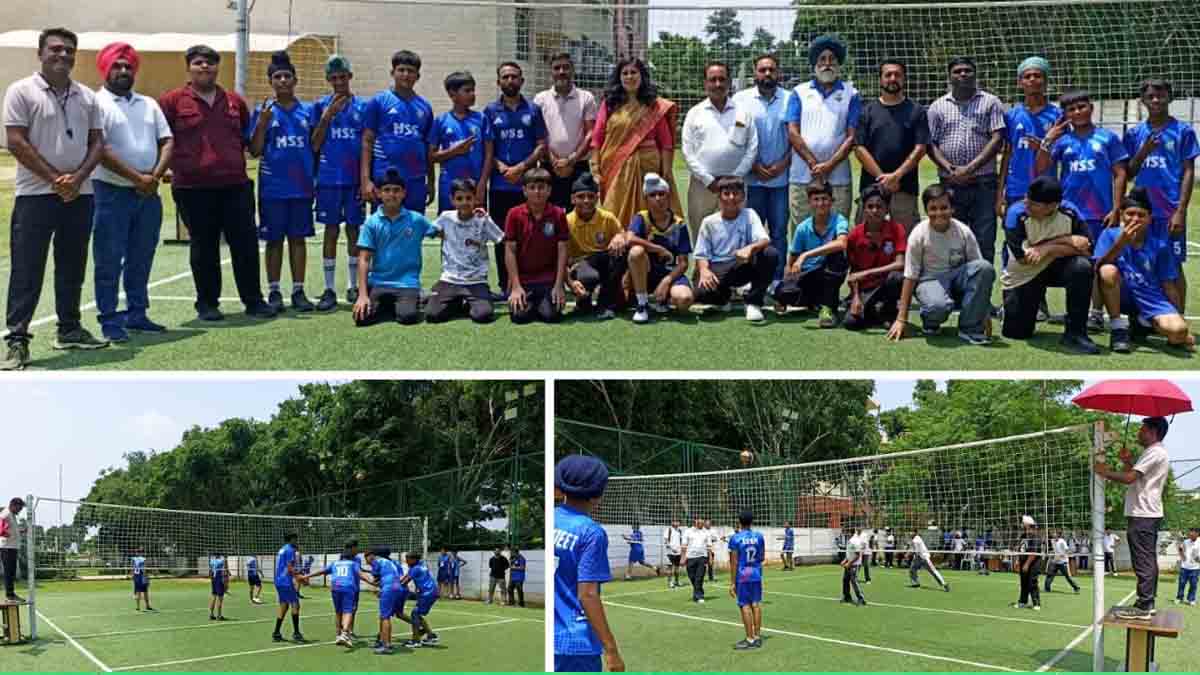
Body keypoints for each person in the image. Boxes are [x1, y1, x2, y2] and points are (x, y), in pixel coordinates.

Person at [3, 27, 108, 370]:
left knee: (72, 266)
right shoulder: (20, 91)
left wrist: (77, 179)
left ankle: (70, 328)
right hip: (35, 196)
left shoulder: (87, 96)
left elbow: (97, 143)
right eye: (56, 50)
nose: (63, 56)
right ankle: (17, 340)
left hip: (80, 195)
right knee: (27, 269)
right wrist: (54, 179)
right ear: (41, 53)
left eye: (69, 51)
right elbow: (16, 141)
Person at [159, 44, 274, 322]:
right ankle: (207, 304)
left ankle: (254, 300)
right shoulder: (171, 101)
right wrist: (161, 169)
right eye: (199, 62)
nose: (205, 67)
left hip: (235, 185)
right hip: (192, 188)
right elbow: (161, 139)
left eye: (210, 63)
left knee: (244, 244)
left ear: (217, 67)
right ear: (189, 67)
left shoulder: (234, 101)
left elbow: (247, 143)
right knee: (204, 246)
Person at [90, 42, 173, 343]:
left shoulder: (149, 104)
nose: (124, 71)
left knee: (141, 257)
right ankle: (110, 319)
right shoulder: (95, 103)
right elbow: (100, 149)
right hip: (111, 192)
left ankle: (137, 313)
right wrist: (137, 177)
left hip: (147, 194)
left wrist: (155, 175)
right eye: (117, 65)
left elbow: (167, 141)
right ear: (105, 69)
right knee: (109, 259)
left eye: (128, 66)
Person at [1036, 89, 1129, 331]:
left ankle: (1096, 314)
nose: (1077, 112)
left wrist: (1117, 207)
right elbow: (1041, 169)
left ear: (1091, 108)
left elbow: (1120, 174)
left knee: (1099, 264)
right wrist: (1047, 139)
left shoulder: (1108, 138)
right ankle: (1075, 313)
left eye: (1082, 107)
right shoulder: (1062, 142)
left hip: (1102, 214)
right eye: (1071, 109)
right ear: (1065, 114)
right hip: (1070, 215)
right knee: (1076, 265)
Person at [247, 51, 316, 313]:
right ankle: (274, 291)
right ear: (271, 82)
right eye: (278, 77)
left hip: (301, 187)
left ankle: (298, 290)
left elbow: (316, 146)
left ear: (296, 80)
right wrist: (262, 124)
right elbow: (253, 150)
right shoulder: (262, 111)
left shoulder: (308, 112)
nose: (283, 80)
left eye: (288, 76)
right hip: (272, 188)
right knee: (274, 241)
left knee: (298, 239)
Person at [1000, 176, 1098, 353]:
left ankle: (1076, 333)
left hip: (1059, 268)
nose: (1026, 205)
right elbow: (1024, 258)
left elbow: (1087, 249)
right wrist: (1069, 242)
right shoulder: (1016, 215)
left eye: (1033, 204)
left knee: (1082, 267)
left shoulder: (1069, 212)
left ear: (1053, 206)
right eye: (1026, 200)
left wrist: (1048, 247)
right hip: (1026, 273)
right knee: (1016, 332)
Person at [888, 184, 996, 344]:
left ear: (952, 209)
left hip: (957, 279)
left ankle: (970, 328)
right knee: (937, 307)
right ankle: (930, 322)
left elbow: (979, 273)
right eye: (933, 208)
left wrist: (984, 314)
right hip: (929, 280)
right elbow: (910, 277)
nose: (939, 213)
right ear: (926, 210)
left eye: (944, 207)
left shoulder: (964, 231)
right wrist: (901, 319)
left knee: (985, 267)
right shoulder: (918, 235)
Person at [1124, 78, 1196, 310]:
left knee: (1173, 266)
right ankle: (1146, 315)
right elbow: (1129, 172)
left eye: (1161, 95)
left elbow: (1187, 171)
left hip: (1169, 210)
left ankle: (1178, 319)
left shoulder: (1183, 131)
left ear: (1170, 98)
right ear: (1142, 101)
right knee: (1141, 261)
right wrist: (1143, 151)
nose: (1155, 100)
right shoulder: (1135, 133)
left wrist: (1181, 211)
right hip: (1141, 212)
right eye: (1150, 96)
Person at [927, 57, 1006, 265]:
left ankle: (982, 294)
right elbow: (930, 144)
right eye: (957, 71)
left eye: (967, 71)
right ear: (950, 77)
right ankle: (957, 293)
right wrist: (951, 169)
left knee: (984, 239)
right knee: (953, 240)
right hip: (950, 184)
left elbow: (997, 139)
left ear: (975, 74)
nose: (963, 74)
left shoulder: (991, 102)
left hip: (984, 183)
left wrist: (970, 169)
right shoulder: (937, 106)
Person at [1094, 189, 1194, 352]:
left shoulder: (1159, 245)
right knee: (1107, 271)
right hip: (1122, 295)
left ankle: (1142, 323)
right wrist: (1121, 243)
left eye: (1141, 215)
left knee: (1178, 332)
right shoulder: (1109, 235)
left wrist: (1180, 319)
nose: (1135, 219)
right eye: (1130, 213)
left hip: (1151, 299)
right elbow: (1097, 268)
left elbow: (1168, 285)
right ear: (1121, 215)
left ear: (1149, 219)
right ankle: (1118, 328)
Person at [590, 57, 682, 231]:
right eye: (625, 73)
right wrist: (595, 169)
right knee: (614, 211)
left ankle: (649, 252)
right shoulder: (609, 104)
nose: (629, 77)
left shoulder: (654, 105)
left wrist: (667, 172)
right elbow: (597, 137)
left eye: (634, 72)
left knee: (651, 210)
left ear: (642, 76)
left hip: (649, 169)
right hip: (616, 168)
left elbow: (666, 142)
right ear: (619, 77)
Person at [1094, 416, 1172, 619]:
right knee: (1146, 559)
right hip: (1145, 513)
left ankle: (1145, 605)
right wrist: (1128, 461)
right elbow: (1135, 480)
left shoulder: (1155, 452)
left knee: (1143, 560)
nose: (1139, 432)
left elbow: (1129, 478)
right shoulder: (1152, 452)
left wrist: (1104, 472)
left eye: (1143, 429)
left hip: (1143, 514)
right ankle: (1146, 602)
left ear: (1153, 432)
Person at [553, 455, 623, 672]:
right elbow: (588, 594)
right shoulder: (591, 533)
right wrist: (611, 649)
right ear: (597, 495)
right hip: (576, 642)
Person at [310, 54, 368, 311]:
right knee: (331, 231)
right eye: (333, 78)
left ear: (350, 77)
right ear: (328, 80)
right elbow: (314, 143)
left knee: (354, 231)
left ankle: (354, 285)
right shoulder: (319, 106)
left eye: (342, 77)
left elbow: (368, 143)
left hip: (354, 180)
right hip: (328, 180)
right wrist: (327, 117)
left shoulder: (363, 107)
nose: (338, 82)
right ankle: (329, 288)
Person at [485, 62, 547, 296]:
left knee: (528, 236)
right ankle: (505, 285)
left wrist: (520, 168)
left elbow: (541, 146)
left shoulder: (533, 110)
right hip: (500, 186)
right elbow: (487, 148)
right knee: (502, 237)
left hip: (527, 187)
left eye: (514, 77)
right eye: (505, 77)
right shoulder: (490, 111)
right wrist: (503, 169)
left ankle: (528, 282)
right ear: (498, 81)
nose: (510, 80)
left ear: (522, 81)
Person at [786, 35, 860, 226]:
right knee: (803, 231)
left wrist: (829, 165)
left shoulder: (851, 94)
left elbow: (852, 136)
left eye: (832, 59)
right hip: (803, 176)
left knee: (837, 231)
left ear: (838, 64)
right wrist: (814, 164)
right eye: (822, 59)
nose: (827, 64)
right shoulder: (799, 92)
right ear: (815, 64)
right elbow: (793, 132)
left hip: (838, 178)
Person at [683, 61, 759, 243]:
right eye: (712, 80)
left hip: (735, 186)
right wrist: (708, 180)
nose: (717, 84)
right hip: (702, 186)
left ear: (729, 82)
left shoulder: (743, 113)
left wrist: (734, 179)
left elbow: (752, 148)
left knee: (735, 235)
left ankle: (733, 271)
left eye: (722, 79)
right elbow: (687, 152)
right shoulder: (695, 113)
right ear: (705, 83)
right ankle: (702, 271)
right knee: (701, 233)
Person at [733, 54, 793, 285]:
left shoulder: (790, 99)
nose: (767, 74)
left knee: (778, 232)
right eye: (762, 70)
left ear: (778, 73)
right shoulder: (741, 99)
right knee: (751, 232)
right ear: (755, 73)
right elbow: (737, 138)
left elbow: (796, 138)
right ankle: (752, 279)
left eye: (771, 70)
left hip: (781, 180)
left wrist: (782, 165)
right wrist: (753, 165)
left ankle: (777, 279)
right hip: (752, 180)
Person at [352, 169, 439, 327]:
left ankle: (412, 299)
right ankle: (389, 303)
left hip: (406, 283)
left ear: (404, 193)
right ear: (378, 193)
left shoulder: (416, 219)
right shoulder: (371, 223)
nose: (392, 195)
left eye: (396, 190)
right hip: (379, 282)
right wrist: (362, 295)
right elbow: (364, 259)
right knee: (361, 318)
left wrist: (472, 217)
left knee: (408, 317)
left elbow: (444, 232)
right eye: (387, 190)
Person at [853, 59, 927, 231]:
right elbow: (859, 148)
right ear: (880, 79)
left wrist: (896, 176)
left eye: (897, 75)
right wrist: (882, 179)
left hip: (904, 189)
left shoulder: (916, 110)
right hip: (871, 189)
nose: (893, 78)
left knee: (905, 240)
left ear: (904, 79)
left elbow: (920, 148)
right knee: (866, 241)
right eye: (888, 75)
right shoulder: (867, 111)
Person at [692, 177, 778, 322]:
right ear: (719, 196)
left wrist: (750, 248)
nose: (731, 198)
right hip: (719, 267)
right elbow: (701, 254)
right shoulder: (709, 222)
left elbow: (764, 239)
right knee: (701, 293)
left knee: (770, 254)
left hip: (742, 264)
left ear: (743, 196)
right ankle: (725, 297)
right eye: (726, 193)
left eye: (736, 193)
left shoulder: (749, 214)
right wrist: (704, 270)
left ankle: (753, 302)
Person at [360, 49, 434, 215]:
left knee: (413, 232)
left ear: (418, 76)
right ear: (392, 72)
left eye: (411, 71)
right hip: (385, 179)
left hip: (415, 181)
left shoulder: (425, 107)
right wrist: (365, 180)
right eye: (401, 70)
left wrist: (430, 181)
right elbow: (367, 141)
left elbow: (428, 147)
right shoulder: (378, 102)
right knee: (383, 232)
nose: (406, 75)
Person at [427, 178, 503, 324]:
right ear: (452, 200)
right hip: (450, 279)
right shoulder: (445, 218)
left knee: (483, 315)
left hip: (476, 280)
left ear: (476, 198)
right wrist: (437, 232)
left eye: (469, 198)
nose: (464, 202)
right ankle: (456, 301)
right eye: (459, 198)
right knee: (432, 315)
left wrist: (488, 219)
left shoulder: (482, 219)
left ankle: (471, 300)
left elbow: (501, 239)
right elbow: (428, 230)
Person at [774, 181, 849, 326]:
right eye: (816, 199)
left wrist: (806, 255)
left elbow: (842, 243)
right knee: (783, 292)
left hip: (829, 272)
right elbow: (793, 258)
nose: (821, 203)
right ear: (809, 202)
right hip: (808, 275)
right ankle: (815, 301)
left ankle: (828, 309)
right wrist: (787, 282)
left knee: (837, 257)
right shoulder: (803, 228)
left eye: (825, 199)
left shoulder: (839, 220)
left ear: (831, 201)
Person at [997, 57, 1060, 226]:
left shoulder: (1058, 116)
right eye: (1027, 76)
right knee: (1014, 238)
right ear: (1020, 83)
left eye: (1038, 75)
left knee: (1045, 239)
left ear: (1046, 82)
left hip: (1046, 189)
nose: (1032, 79)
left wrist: (1042, 146)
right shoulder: (1011, 116)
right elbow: (1007, 155)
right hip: (1016, 189)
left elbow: (1063, 155)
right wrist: (999, 193)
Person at [624, 173, 694, 323]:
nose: (658, 199)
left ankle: (663, 299)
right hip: (645, 273)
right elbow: (629, 238)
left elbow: (683, 263)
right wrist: (657, 248)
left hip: (669, 272)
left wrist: (666, 281)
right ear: (646, 199)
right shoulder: (641, 218)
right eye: (652, 195)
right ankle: (642, 303)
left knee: (685, 300)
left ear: (668, 197)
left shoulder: (678, 224)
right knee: (636, 252)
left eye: (661, 194)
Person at [505, 168, 569, 324]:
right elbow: (510, 251)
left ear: (549, 190)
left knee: (551, 316)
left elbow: (563, 250)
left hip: (548, 279)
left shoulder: (558, 214)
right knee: (519, 317)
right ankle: (532, 302)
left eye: (541, 188)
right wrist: (515, 286)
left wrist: (559, 285)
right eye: (532, 188)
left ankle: (541, 303)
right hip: (524, 279)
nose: (537, 192)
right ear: (524, 191)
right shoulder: (514, 214)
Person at [534, 52, 597, 209]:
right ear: (551, 72)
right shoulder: (540, 99)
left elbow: (590, 134)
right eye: (557, 68)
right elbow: (539, 135)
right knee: (548, 214)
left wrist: (571, 160)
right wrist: (554, 160)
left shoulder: (586, 98)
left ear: (573, 70)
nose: (561, 71)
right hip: (549, 165)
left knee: (580, 214)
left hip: (578, 166)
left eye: (566, 67)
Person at [844, 185, 906, 331]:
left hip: (887, 284)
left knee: (898, 277)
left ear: (886, 209)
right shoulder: (854, 235)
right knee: (851, 323)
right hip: (866, 288)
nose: (874, 211)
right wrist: (856, 297)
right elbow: (854, 273)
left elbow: (900, 263)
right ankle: (874, 312)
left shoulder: (897, 229)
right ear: (864, 209)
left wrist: (867, 273)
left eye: (879, 206)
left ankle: (888, 311)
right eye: (870, 206)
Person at [565, 173, 627, 319]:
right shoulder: (566, 221)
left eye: (590, 196)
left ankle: (605, 304)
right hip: (580, 265)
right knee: (589, 277)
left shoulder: (607, 218)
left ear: (597, 198)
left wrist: (620, 237)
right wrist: (570, 281)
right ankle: (583, 300)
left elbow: (623, 235)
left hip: (604, 262)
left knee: (623, 252)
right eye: (581, 197)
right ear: (573, 199)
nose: (586, 201)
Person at [429, 71, 491, 215]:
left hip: (475, 186)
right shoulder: (441, 121)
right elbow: (431, 156)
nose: (473, 94)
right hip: (449, 187)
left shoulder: (482, 119)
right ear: (452, 94)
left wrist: (482, 184)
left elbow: (489, 155)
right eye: (467, 91)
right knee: (449, 230)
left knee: (476, 231)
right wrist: (455, 151)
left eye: (473, 90)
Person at [300, 548, 372, 647]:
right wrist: (372, 582)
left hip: (335, 588)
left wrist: (305, 576)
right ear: (351, 557)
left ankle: (338, 635)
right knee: (348, 611)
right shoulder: (353, 564)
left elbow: (322, 571)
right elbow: (362, 575)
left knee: (338, 612)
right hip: (348, 587)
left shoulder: (335, 563)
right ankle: (345, 633)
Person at [728, 510, 765, 649]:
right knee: (756, 604)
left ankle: (749, 639)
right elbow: (761, 558)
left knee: (744, 605)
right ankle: (757, 636)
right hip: (756, 573)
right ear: (752, 521)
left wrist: (732, 583)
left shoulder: (735, 538)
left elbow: (734, 562)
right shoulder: (759, 537)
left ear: (739, 521)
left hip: (743, 575)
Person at [365, 547, 408, 655]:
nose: (367, 559)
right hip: (399, 587)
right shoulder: (390, 562)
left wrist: (364, 578)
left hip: (389, 588)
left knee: (385, 617)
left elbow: (376, 580)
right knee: (386, 615)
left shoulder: (376, 562)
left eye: (367, 557)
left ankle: (387, 645)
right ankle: (382, 640)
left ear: (373, 555)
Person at [397, 551, 440, 648]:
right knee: (417, 614)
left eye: (408, 559)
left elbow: (404, 582)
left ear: (414, 560)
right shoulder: (421, 565)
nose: (406, 562)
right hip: (431, 591)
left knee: (415, 613)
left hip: (427, 593)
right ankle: (431, 636)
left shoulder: (415, 568)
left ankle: (416, 640)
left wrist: (390, 586)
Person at [272, 533, 304, 643]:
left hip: (278, 581)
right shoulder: (290, 550)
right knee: (295, 604)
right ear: (291, 539)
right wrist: (300, 577)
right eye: (295, 539)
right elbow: (290, 567)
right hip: (285, 581)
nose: (297, 541)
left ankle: (276, 633)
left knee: (284, 606)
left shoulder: (282, 549)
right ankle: (296, 633)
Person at [1012, 515, 1042, 611]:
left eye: (1023, 523)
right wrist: (1017, 560)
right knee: (1023, 582)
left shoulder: (1036, 536)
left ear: (1028, 525)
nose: (1022, 525)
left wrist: (1027, 564)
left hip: (1033, 563)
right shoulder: (1023, 535)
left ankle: (1036, 603)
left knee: (1032, 582)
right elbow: (1019, 549)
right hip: (1023, 562)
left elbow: (1033, 553)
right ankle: (1022, 602)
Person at [682, 517, 710, 603]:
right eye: (699, 520)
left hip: (702, 557)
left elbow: (709, 546)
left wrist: (710, 559)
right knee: (692, 577)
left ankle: (699, 596)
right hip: (690, 558)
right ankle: (697, 592)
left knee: (699, 577)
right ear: (695, 521)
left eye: (703, 520)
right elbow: (684, 545)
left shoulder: (706, 532)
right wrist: (683, 558)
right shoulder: (688, 531)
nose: (701, 522)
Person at [0, 498, 23, 601]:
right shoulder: (6, 513)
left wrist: (21, 531)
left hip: (12, 548)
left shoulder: (12, 515)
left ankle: (11, 594)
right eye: (20, 507)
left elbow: (11, 530)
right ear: (13, 505)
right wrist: (4, 533)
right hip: (7, 548)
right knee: (9, 572)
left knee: (11, 572)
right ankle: (10, 595)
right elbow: (1, 528)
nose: (20, 510)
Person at [1045, 529, 1081, 593]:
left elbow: (1067, 551)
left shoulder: (1062, 541)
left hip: (1063, 562)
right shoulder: (1052, 541)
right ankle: (1047, 588)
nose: (1053, 534)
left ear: (1058, 535)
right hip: (1055, 561)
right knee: (1049, 574)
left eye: (1055, 533)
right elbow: (1055, 550)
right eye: (1053, 533)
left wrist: (1061, 555)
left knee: (1068, 576)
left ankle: (1076, 588)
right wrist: (1051, 554)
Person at [1175, 527, 1199, 606]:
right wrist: (1182, 556)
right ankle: (1179, 598)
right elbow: (1181, 550)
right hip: (1184, 567)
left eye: (1192, 534)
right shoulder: (1186, 541)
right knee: (1181, 583)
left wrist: (1197, 559)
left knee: (1193, 585)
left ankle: (1191, 599)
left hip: (1195, 568)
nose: (1190, 535)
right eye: (1189, 534)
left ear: (1197, 534)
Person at [842, 530, 867, 606]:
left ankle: (861, 599)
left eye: (845, 531)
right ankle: (847, 597)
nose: (844, 533)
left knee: (854, 581)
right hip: (849, 563)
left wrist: (849, 563)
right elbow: (850, 553)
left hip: (854, 564)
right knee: (845, 580)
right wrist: (845, 560)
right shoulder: (850, 540)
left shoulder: (855, 541)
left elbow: (857, 555)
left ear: (849, 532)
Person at [208, 552, 229, 620]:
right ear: (220, 555)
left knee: (214, 596)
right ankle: (219, 616)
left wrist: (212, 579)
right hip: (219, 579)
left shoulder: (212, 561)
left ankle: (211, 615)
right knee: (220, 598)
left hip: (213, 579)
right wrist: (226, 583)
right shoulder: (222, 560)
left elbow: (210, 572)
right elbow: (225, 570)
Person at [663, 519, 684, 589]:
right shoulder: (668, 530)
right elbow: (666, 542)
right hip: (670, 553)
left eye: (678, 521)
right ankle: (670, 582)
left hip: (678, 553)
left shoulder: (680, 531)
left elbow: (681, 541)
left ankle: (676, 581)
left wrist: (681, 550)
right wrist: (672, 549)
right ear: (672, 522)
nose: (677, 523)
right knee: (670, 568)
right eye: (675, 521)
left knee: (677, 568)